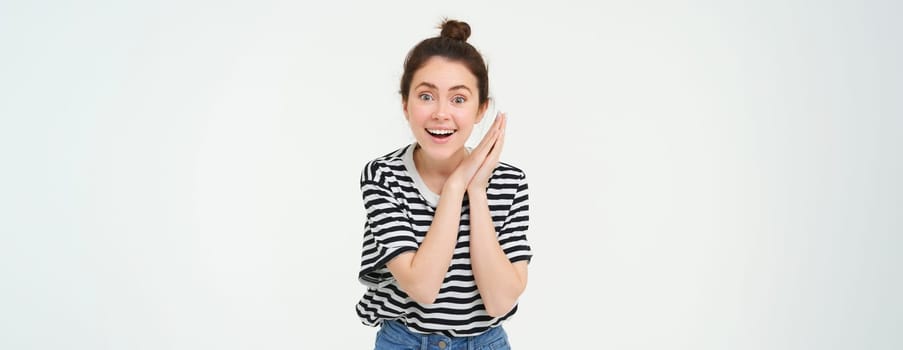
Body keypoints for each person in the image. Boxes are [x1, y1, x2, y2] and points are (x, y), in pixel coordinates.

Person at [356, 19, 532, 350]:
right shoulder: (383, 176)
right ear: (405, 104)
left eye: (459, 99)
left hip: (485, 343)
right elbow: (423, 287)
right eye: (426, 96)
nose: (441, 113)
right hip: (405, 342)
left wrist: (476, 191)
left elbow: (500, 302)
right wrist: (455, 187)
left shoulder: (510, 182)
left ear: (481, 109)